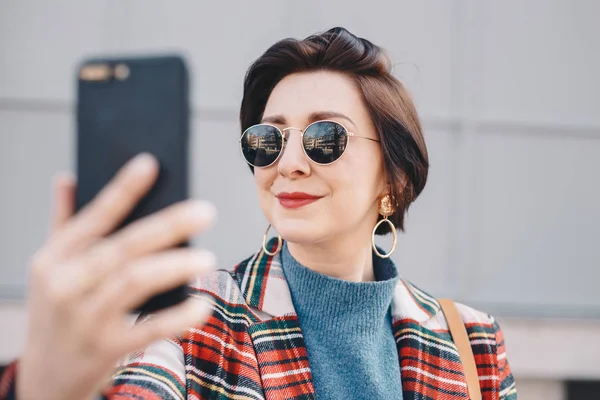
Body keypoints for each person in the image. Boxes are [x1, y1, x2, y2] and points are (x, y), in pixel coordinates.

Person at [0, 27, 517, 400]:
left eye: (324, 137)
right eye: (268, 140)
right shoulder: (195, 314)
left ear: (393, 177)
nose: (288, 164)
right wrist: (46, 389)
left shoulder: (473, 341)